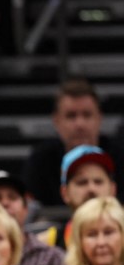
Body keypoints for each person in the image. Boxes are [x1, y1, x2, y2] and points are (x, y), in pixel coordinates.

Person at [23, 78, 124, 207]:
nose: (80, 124)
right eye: (71, 116)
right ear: (56, 121)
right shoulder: (40, 160)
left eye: (87, 115)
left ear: (99, 118)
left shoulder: (120, 156)